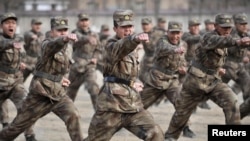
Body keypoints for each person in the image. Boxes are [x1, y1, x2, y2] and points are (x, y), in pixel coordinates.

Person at [83, 9, 164, 141]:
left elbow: (124, 72)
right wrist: (135, 38)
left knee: (155, 133)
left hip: (132, 105)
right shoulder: (110, 45)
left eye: (130, 26)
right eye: (123, 27)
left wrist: (133, 82)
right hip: (111, 107)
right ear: (115, 28)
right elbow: (122, 47)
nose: (128, 30)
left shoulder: (132, 50)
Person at [164, 13, 247, 141]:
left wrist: (217, 69)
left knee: (232, 102)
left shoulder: (226, 37)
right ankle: (170, 137)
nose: (227, 30)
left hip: (213, 81)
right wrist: (238, 41)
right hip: (195, 82)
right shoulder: (208, 37)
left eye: (229, 28)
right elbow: (219, 42)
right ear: (215, 26)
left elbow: (212, 57)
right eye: (224, 27)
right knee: (182, 113)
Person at [0, 16, 83, 141]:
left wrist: (62, 78)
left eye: (65, 30)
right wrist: (64, 38)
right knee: (17, 127)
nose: (62, 32)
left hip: (58, 93)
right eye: (59, 30)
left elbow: (65, 67)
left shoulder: (69, 47)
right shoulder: (46, 44)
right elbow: (54, 45)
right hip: (40, 94)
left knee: (73, 115)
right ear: (52, 32)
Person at [141, 21, 196, 138]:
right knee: (139, 105)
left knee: (181, 103)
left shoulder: (183, 44)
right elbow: (165, 48)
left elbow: (182, 60)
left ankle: (185, 128)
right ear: (167, 32)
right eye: (173, 33)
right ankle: (119, 123)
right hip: (157, 80)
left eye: (178, 33)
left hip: (172, 80)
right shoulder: (162, 41)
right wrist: (175, 50)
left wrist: (183, 67)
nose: (175, 36)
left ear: (181, 33)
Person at [0, 12, 37, 141]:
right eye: (7, 23)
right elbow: (3, 44)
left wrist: (21, 63)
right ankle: (5, 125)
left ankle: (30, 135)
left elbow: (22, 54)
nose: (11, 25)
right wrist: (11, 44)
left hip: (16, 81)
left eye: (13, 23)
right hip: (1, 82)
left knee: (26, 107)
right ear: (1, 26)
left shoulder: (19, 38)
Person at [67, 13, 100, 110]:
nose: (84, 23)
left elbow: (98, 49)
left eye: (86, 20)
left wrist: (95, 57)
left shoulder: (94, 35)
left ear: (89, 22)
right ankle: (68, 112)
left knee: (94, 88)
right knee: (70, 92)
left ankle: (99, 113)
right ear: (78, 22)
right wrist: (87, 39)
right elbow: (77, 40)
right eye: (82, 21)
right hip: (76, 67)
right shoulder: (74, 33)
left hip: (89, 66)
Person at [182, 18, 211, 110]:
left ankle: (201, 102)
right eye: (193, 26)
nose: (195, 28)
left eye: (197, 26)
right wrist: (205, 36)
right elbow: (190, 39)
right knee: (189, 87)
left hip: (200, 65)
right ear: (189, 27)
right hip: (188, 65)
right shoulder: (186, 35)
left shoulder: (202, 36)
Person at [221, 13, 250, 103]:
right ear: (236, 24)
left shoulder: (245, 35)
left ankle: (246, 107)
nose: (244, 26)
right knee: (214, 87)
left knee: (247, 83)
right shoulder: (230, 34)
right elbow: (230, 49)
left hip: (239, 65)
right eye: (242, 24)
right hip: (228, 65)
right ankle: (195, 102)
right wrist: (241, 44)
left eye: (245, 24)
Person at [139, 17, 164, 83]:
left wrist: (148, 42)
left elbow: (154, 48)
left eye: (147, 24)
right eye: (143, 25)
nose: (145, 26)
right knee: (142, 79)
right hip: (146, 61)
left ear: (151, 25)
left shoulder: (159, 34)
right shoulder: (142, 35)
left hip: (156, 61)